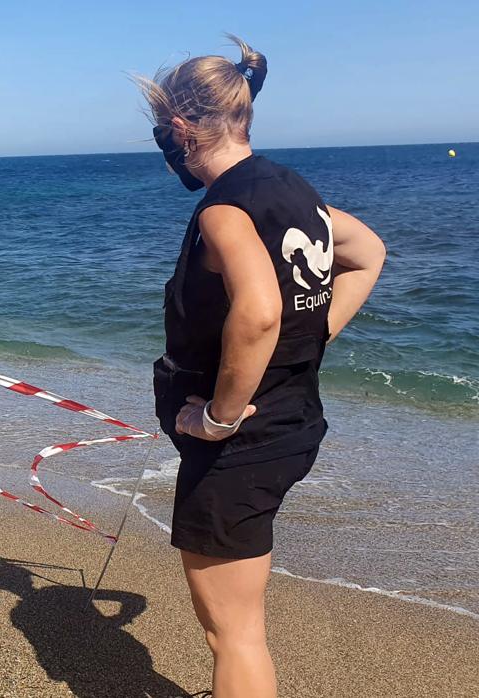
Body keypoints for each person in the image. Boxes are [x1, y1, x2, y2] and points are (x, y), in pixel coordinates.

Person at [139, 36, 386, 697]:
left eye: (165, 135)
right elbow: (366, 252)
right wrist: (316, 331)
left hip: (241, 443)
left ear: (182, 128)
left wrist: (219, 419)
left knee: (234, 633)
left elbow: (258, 312)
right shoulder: (292, 189)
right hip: (292, 421)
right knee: (238, 626)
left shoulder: (224, 208)